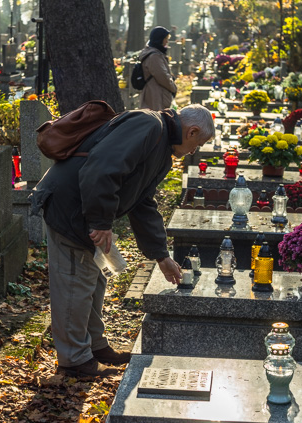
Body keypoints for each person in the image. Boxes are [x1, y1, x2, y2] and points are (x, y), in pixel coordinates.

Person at [30, 104, 215, 377]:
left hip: (84, 209)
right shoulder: (148, 124)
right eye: (197, 144)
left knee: (94, 280)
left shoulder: (161, 147)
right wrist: (100, 222)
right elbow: (101, 168)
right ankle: (75, 361)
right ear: (192, 131)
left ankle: (94, 345)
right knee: (74, 282)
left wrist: (160, 255)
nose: (193, 151)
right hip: (69, 207)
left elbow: (143, 202)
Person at [139, 26, 177, 111]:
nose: (167, 41)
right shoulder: (154, 56)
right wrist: (173, 87)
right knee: (157, 118)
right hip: (156, 94)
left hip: (155, 92)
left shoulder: (154, 53)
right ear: (159, 39)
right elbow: (162, 76)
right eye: (165, 38)